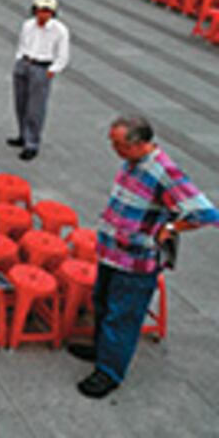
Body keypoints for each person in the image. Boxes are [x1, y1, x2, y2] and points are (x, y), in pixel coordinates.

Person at [67, 115, 217, 399]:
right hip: (112, 252)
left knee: (122, 316)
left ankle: (109, 372)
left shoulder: (165, 172)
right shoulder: (132, 162)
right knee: (102, 303)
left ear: (138, 144)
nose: (114, 149)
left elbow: (204, 213)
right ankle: (101, 349)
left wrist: (171, 228)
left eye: (118, 144)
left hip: (136, 262)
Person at [9, 0, 69, 161]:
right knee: (20, 103)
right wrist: (19, 59)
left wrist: (52, 70)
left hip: (42, 67)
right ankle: (22, 134)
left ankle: (32, 143)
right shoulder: (28, 25)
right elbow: (22, 43)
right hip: (25, 63)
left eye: (47, 11)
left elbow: (63, 55)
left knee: (35, 109)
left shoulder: (60, 31)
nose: (43, 14)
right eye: (40, 10)